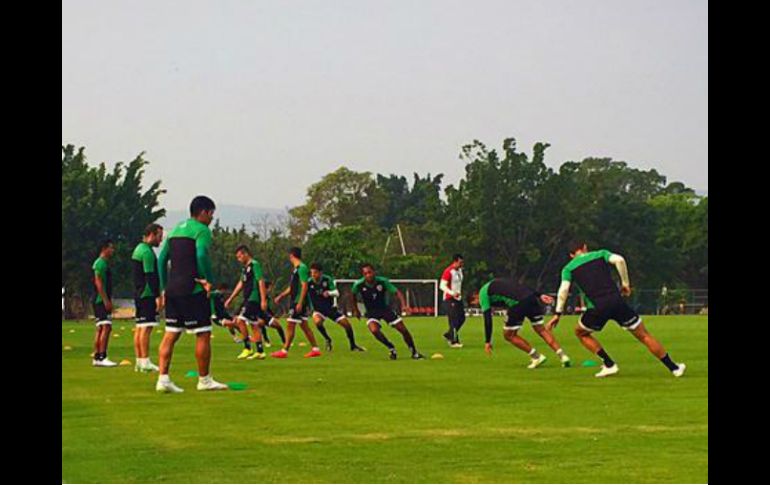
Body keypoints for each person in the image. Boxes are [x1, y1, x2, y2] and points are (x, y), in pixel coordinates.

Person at [547, 241, 686, 378]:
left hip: (597, 307)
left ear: (571, 255)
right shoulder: (600, 254)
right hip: (616, 302)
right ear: (585, 247)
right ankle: (674, 368)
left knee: (580, 333)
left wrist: (558, 313)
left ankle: (609, 364)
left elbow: (563, 290)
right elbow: (619, 260)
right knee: (644, 335)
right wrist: (626, 284)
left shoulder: (568, 268)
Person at [155, 195, 228, 392]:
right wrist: (208, 280)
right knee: (203, 333)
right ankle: (204, 380)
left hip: (172, 290)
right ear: (203, 212)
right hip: (193, 289)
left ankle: (163, 379)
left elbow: (162, 260)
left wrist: (164, 287)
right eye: (211, 214)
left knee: (170, 334)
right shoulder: (202, 230)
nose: (212, 218)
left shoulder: (175, 230)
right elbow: (201, 254)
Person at [471, 278, 571, 368]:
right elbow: (521, 285)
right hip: (531, 298)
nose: (479, 304)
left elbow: (488, 318)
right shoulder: (497, 282)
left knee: (508, 335)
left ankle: (536, 357)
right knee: (541, 329)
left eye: (476, 303)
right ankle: (563, 356)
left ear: (475, 296)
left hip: (518, 304)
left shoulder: (482, 295)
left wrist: (488, 341)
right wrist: (539, 294)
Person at [350, 263, 424, 360]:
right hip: (371, 312)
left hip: (385, 310)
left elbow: (397, 292)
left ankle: (414, 352)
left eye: (369, 272)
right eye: (365, 273)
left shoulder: (383, 281)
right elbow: (353, 296)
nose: (368, 275)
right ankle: (391, 347)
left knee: (403, 330)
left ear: (374, 272)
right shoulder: (358, 284)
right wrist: (356, 310)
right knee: (374, 330)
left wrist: (404, 305)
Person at [270, 247, 322, 358]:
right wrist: (281, 296)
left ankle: (284, 350)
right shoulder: (296, 269)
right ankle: (315, 349)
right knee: (304, 326)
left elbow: (304, 285)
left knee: (290, 324)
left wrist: (300, 302)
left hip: (298, 301)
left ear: (291, 255)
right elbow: (293, 287)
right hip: (296, 300)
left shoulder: (302, 268)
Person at [308, 262, 365, 352]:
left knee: (347, 325)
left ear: (320, 273)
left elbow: (337, 293)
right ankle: (327, 339)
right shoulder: (309, 282)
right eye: (311, 273)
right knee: (318, 322)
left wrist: (329, 293)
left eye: (315, 272)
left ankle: (353, 345)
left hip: (330, 308)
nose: (313, 275)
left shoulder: (327, 279)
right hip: (318, 310)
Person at [225, 245, 268, 360]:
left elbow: (261, 281)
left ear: (245, 254)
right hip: (247, 298)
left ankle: (247, 348)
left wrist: (263, 299)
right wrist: (231, 298)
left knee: (240, 320)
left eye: (239, 257)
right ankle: (260, 351)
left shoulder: (255, 265)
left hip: (253, 298)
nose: (239, 259)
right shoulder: (245, 268)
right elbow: (241, 284)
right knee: (254, 324)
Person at [131, 223, 164, 372]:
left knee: (140, 327)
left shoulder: (138, 249)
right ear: (151, 234)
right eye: (159, 236)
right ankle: (145, 361)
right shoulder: (147, 252)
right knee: (146, 327)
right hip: (147, 293)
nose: (160, 240)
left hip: (139, 293)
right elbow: (150, 275)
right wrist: (158, 296)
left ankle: (139, 360)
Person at [92, 240, 117, 367]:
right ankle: (102, 356)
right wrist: (106, 300)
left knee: (101, 328)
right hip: (100, 300)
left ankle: (97, 356)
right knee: (106, 327)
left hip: (99, 300)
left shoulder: (101, 263)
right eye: (111, 248)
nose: (113, 251)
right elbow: (98, 282)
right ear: (104, 249)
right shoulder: (101, 263)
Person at [440, 254, 465, 348]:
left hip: (458, 298)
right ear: (454, 262)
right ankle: (454, 341)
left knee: (462, 318)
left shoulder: (460, 271)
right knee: (453, 319)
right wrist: (452, 293)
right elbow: (442, 286)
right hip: (449, 298)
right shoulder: (448, 271)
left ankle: (449, 334)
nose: (461, 264)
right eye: (460, 262)